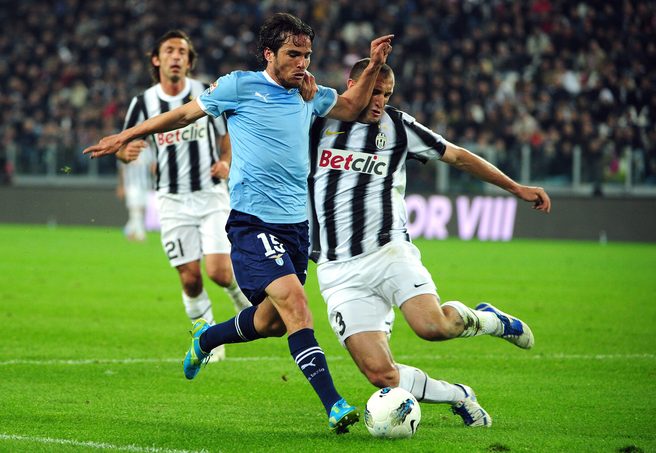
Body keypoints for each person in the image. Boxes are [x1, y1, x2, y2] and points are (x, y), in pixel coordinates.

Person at [83, 14, 393, 433]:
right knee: (298, 308)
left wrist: (372, 65)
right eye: (292, 54)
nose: (302, 62)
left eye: (306, 54)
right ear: (270, 54)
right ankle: (334, 403)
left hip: (296, 226)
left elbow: (353, 107)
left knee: (271, 322)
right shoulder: (238, 86)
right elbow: (182, 115)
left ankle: (206, 339)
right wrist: (126, 135)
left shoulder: (310, 93)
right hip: (253, 222)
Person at [307, 58, 551, 428]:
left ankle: (487, 320)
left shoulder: (399, 127)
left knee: (431, 327)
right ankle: (458, 395)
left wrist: (516, 187)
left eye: (386, 95)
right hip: (337, 270)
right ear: (352, 84)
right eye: (373, 92)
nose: (379, 102)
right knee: (381, 375)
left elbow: (458, 157)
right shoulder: (315, 122)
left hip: (389, 251)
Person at [114, 30, 252, 361]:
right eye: (170, 50)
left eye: (182, 52)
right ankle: (210, 339)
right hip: (172, 201)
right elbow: (125, 145)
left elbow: (226, 137)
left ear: (189, 61)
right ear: (157, 60)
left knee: (219, 272)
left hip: (210, 195)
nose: (176, 56)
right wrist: (125, 154)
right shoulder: (143, 103)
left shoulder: (206, 93)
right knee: (190, 279)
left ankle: (236, 296)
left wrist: (225, 162)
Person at [116, 140, 154, 242]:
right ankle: (141, 235)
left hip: (145, 184)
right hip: (131, 185)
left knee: (141, 209)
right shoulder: (127, 149)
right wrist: (121, 186)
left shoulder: (147, 149)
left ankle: (129, 231)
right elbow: (122, 169)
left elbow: (152, 166)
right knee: (135, 209)